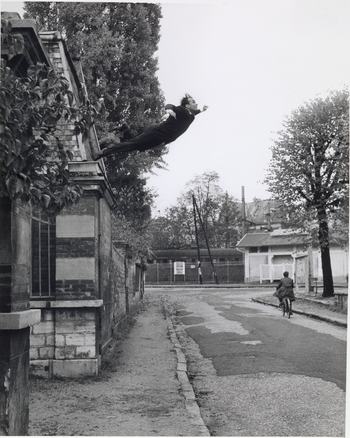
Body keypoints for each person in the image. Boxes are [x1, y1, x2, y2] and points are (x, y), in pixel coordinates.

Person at [93, 94, 208, 160]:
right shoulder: (182, 110)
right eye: (193, 102)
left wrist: (202, 110)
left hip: (161, 140)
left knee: (134, 147)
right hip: (155, 133)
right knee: (133, 144)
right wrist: (168, 110)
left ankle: (112, 143)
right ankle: (105, 151)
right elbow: (170, 105)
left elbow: (195, 112)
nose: (196, 103)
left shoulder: (191, 116)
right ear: (187, 105)